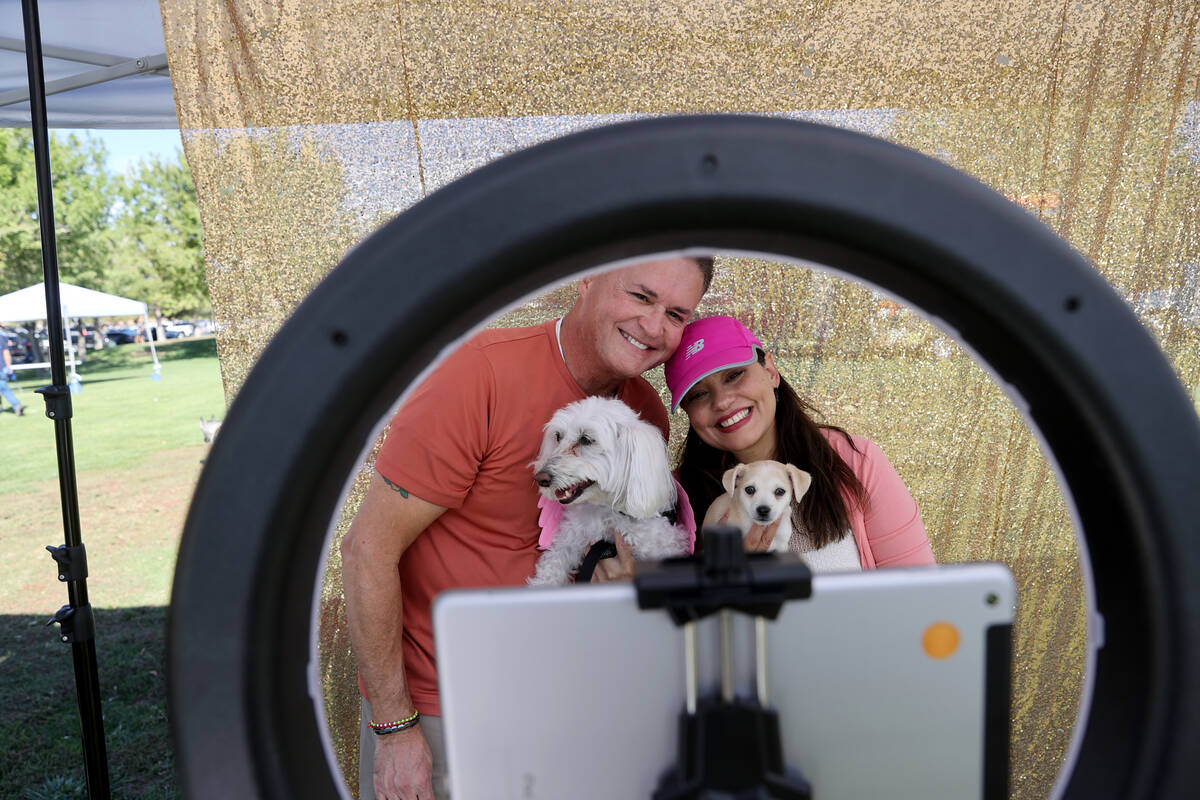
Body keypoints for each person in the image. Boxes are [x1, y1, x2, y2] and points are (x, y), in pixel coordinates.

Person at [340, 256, 713, 800]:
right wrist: (396, 729)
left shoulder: (643, 416)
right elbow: (367, 550)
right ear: (587, 278)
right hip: (445, 713)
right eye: (640, 296)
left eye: (677, 314)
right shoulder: (477, 375)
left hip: (566, 710)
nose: (655, 327)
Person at [665, 315, 935, 570]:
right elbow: (677, 613)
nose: (722, 401)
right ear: (688, 412)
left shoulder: (854, 461)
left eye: (734, 375)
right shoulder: (676, 498)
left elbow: (918, 595)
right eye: (698, 394)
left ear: (770, 370)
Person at [1, 338, 26, 417]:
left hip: (2, 368)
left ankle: (16, 404)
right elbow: (6, 353)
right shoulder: (1, 337)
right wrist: (8, 367)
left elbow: (6, 353)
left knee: (3, 388)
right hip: (2, 368)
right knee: (3, 387)